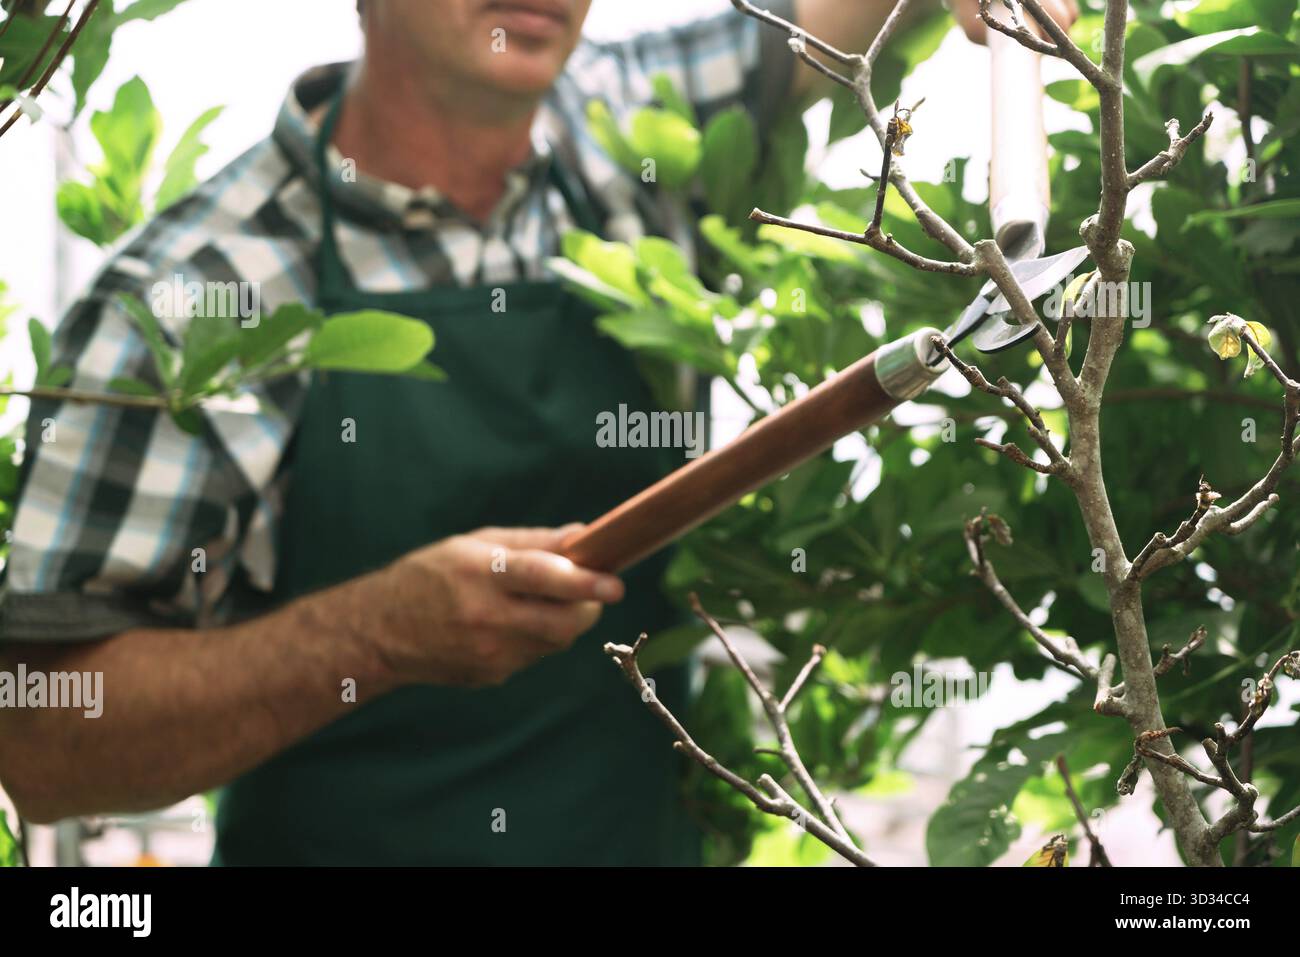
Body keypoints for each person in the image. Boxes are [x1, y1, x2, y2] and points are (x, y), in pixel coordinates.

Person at [0, 0, 1075, 864]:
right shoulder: (198, 295)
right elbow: (45, 742)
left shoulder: (623, 135)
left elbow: (835, 19)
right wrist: (368, 636)